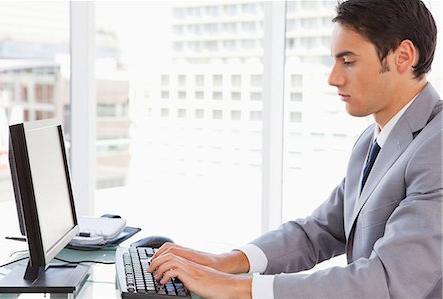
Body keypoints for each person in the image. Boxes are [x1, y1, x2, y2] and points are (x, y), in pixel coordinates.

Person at [148, 0, 442, 298]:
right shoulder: (372, 139)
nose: (333, 78)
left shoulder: (438, 145)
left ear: (403, 56)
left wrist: (233, 287)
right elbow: (320, 231)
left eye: (348, 61)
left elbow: (386, 282)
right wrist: (226, 262)